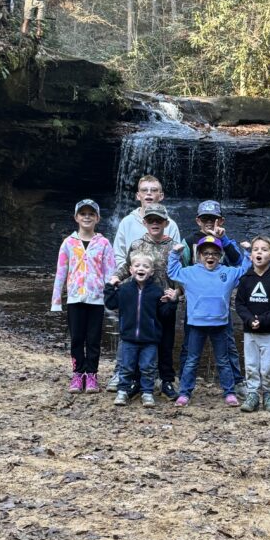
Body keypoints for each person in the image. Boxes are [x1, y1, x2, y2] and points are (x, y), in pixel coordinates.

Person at [108, 175, 181, 393]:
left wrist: (178, 291)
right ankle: (125, 376)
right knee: (131, 336)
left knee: (165, 339)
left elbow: (180, 267)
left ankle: (165, 379)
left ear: (161, 195)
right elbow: (122, 259)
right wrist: (122, 281)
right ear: (138, 195)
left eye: (154, 190)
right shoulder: (133, 233)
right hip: (136, 293)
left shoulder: (173, 234)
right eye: (145, 190)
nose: (149, 194)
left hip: (164, 297)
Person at [168, 235, 250, 407]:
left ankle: (229, 392)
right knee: (191, 360)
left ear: (220, 256)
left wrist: (248, 251)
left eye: (214, 253)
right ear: (199, 256)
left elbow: (245, 269)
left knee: (223, 360)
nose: (210, 256)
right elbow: (172, 271)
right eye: (205, 253)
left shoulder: (227, 272)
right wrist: (175, 254)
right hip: (196, 325)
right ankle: (184, 393)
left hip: (220, 324)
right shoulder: (189, 273)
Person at [178, 200, 246, 397]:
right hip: (194, 305)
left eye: (214, 219)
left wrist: (223, 240)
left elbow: (238, 262)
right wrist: (180, 292)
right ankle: (184, 383)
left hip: (220, 306)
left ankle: (236, 382)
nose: (210, 223)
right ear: (198, 220)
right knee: (188, 345)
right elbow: (179, 268)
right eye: (206, 219)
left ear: (221, 220)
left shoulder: (226, 241)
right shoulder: (188, 240)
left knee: (228, 345)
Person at [50, 199, 116, 393]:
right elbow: (61, 272)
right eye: (83, 214)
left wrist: (111, 298)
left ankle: (92, 375)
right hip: (75, 298)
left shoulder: (103, 243)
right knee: (77, 338)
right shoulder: (68, 243)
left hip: (97, 299)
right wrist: (56, 301)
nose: (87, 217)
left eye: (91, 214)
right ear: (76, 217)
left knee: (94, 339)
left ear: (97, 218)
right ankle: (78, 374)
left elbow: (110, 272)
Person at [104, 252, 174, 409]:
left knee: (148, 367)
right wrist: (110, 286)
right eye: (137, 266)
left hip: (150, 340)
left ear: (151, 272)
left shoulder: (156, 291)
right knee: (126, 366)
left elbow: (164, 314)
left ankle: (147, 392)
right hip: (128, 338)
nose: (141, 268)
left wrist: (171, 301)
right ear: (130, 270)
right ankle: (123, 391)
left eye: (145, 266)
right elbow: (110, 303)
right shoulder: (124, 290)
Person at [235, 236, 270, 413]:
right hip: (250, 332)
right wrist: (250, 320)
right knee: (251, 365)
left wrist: (264, 320)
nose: (259, 252)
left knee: (268, 366)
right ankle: (252, 394)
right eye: (256, 249)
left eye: (264, 249)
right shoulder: (246, 279)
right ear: (250, 256)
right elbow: (240, 304)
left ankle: (268, 394)